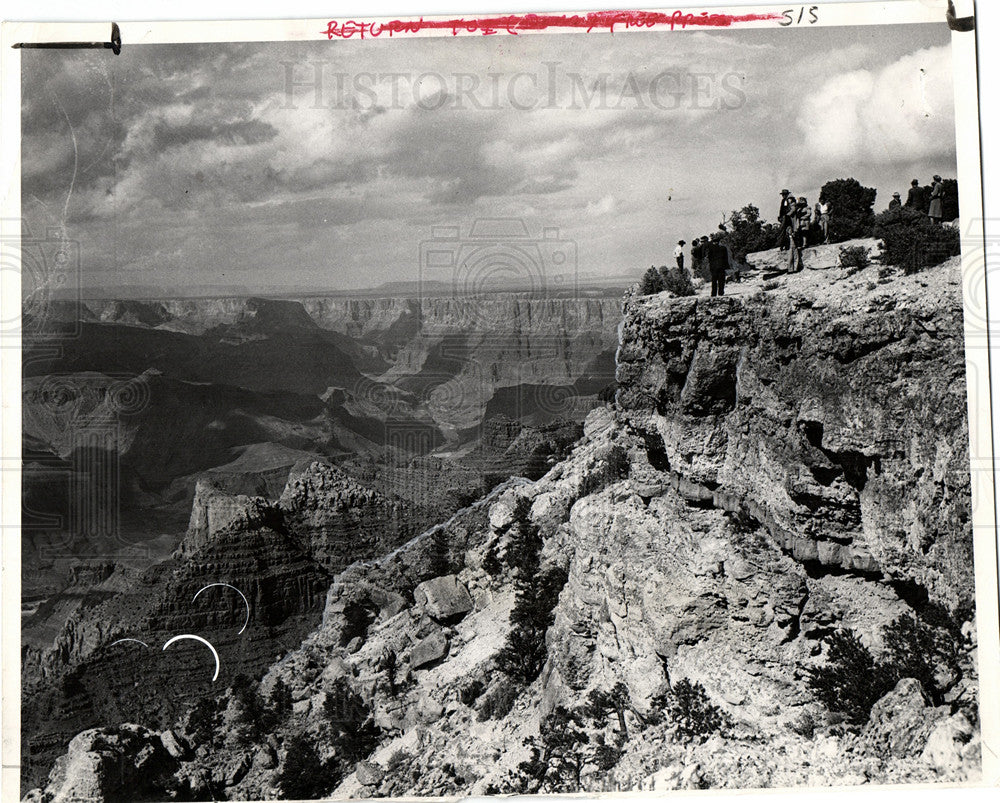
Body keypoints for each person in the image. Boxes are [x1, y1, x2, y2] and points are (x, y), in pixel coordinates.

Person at [787, 196, 811, 273]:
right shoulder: (798, 209)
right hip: (799, 223)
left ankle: (805, 244)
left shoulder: (806, 208)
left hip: (804, 221)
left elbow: (808, 214)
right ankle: (793, 268)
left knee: (805, 233)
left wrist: (803, 217)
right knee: (801, 234)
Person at [705, 232, 730, 297]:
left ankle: (713, 293)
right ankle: (721, 292)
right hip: (721, 266)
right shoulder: (723, 248)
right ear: (719, 241)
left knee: (714, 281)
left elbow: (709, 258)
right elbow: (725, 258)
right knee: (721, 280)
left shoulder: (710, 249)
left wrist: (710, 266)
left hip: (714, 267)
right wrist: (726, 267)